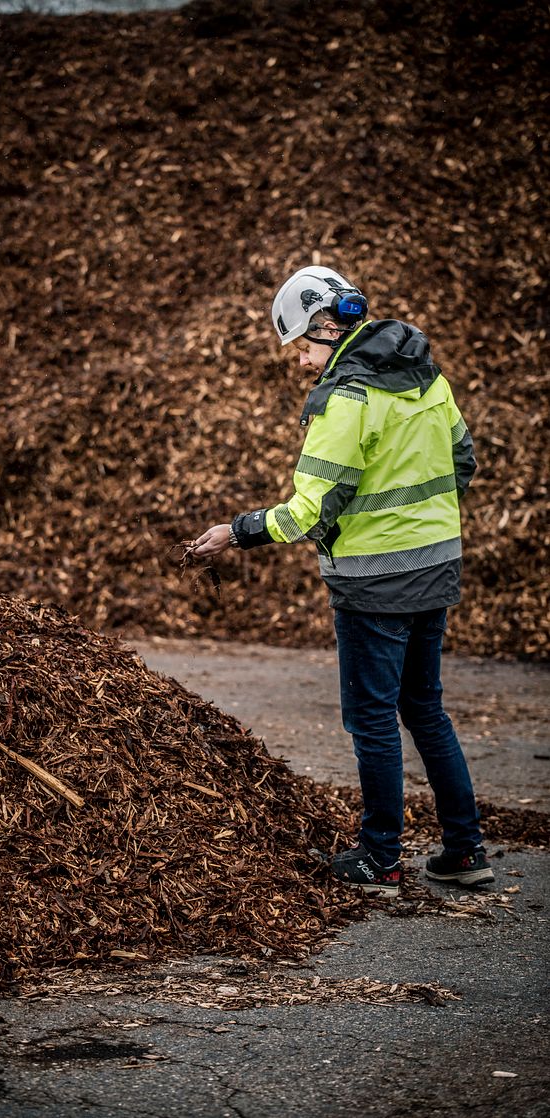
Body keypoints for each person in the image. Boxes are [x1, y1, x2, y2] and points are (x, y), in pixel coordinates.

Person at [190, 265, 493, 899]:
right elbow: (463, 460)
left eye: (302, 345)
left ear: (330, 327)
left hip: (372, 586)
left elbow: (309, 511)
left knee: (374, 719)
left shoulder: (345, 398)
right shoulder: (426, 377)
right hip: (435, 570)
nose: (301, 362)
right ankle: (465, 852)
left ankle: (380, 858)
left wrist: (236, 530)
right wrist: (415, 524)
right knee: (427, 711)